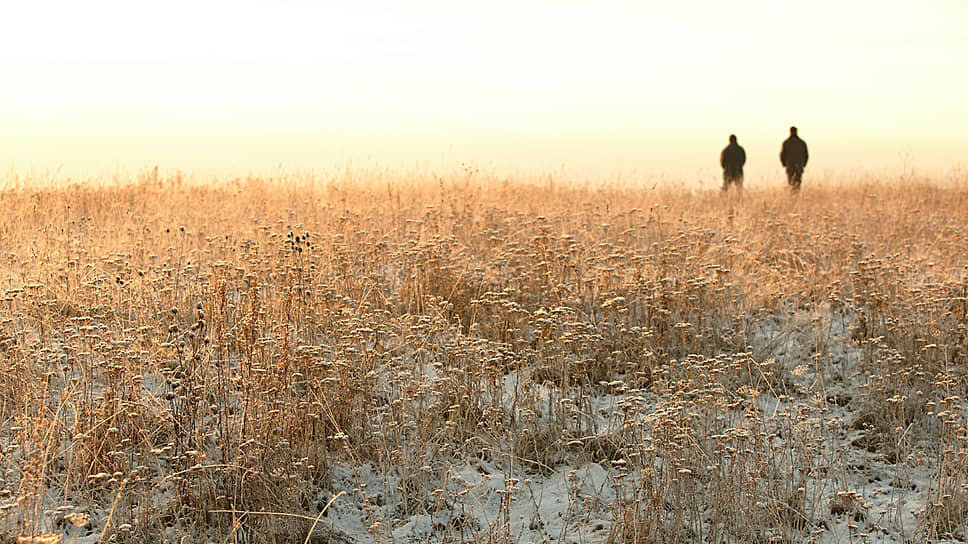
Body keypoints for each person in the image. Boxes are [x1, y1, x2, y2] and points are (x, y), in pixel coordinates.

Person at [780, 126, 808, 192]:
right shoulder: (802, 143)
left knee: (791, 184)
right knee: (798, 185)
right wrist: (803, 164)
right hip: (799, 167)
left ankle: (792, 198)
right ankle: (796, 197)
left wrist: (784, 164)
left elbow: (782, 155)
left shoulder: (786, 143)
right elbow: (806, 155)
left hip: (790, 166)